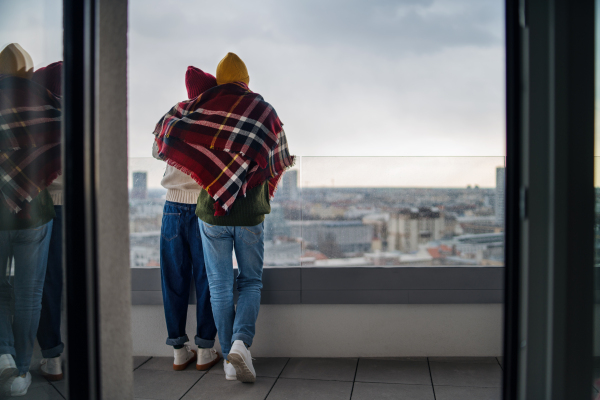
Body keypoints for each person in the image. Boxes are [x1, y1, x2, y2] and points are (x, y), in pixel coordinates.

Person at [153, 52, 294, 382]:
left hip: (209, 213)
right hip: (247, 213)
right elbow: (278, 158)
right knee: (250, 281)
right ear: (245, 78)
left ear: (218, 80)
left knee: (217, 287)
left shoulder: (200, 111)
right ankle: (240, 346)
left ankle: (229, 360)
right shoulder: (262, 110)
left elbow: (166, 138)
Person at [0, 43, 62, 396]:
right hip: (34, 211)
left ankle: (5, 356)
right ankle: (22, 371)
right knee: (29, 295)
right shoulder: (47, 102)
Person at [151, 66, 221, 371]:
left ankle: (179, 349)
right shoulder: (217, 120)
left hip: (172, 207)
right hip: (205, 206)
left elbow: (157, 151)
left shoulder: (174, 117)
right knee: (209, 279)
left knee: (173, 280)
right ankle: (206, 349)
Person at [32, 61, 65, 382]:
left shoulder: (36, 113)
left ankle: (52, 356)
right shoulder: (75, 117)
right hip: (81, 208)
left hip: (44, 205)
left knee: (46, 284)